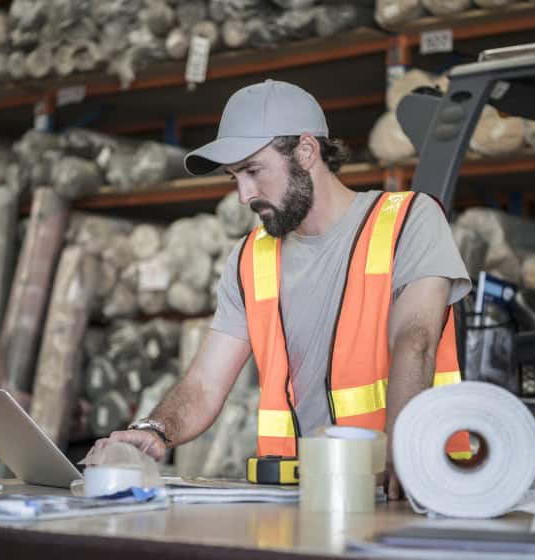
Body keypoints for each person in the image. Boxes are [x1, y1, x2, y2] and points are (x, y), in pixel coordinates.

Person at [93, 79, 471, 499]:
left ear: (307, 151)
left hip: (407, 487)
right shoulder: (249, 258)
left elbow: (413, 340)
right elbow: (203, 385)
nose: (243, 195)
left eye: (254, 171)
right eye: (235, 176)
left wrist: (406, 455)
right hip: (296, 497)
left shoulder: (408, 221)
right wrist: (155, 430)